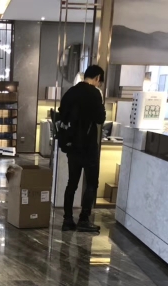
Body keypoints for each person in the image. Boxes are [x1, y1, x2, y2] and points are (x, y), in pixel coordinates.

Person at [59, 65, 106, 233]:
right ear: (98, 78)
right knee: (92, 183)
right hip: (88, 146)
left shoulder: (70, 92)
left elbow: (61, 114)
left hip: (72, 146)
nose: (99, 84)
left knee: (72, 183)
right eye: (100, 81)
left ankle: (67, 220)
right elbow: (100, 119)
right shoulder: (94, 93)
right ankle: (84, 220)